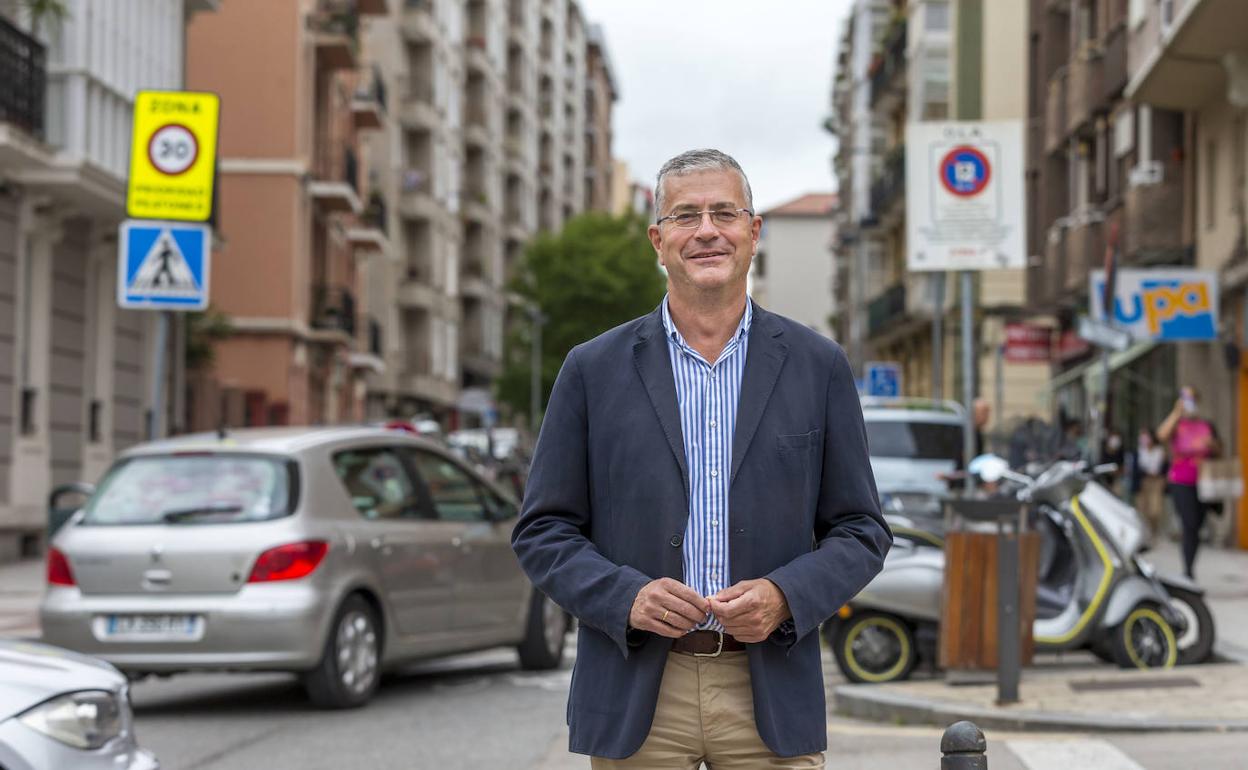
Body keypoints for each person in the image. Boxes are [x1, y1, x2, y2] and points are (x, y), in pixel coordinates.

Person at [510, 149, 890, 768]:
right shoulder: (592, 370)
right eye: (686, 216)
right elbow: (543, 531)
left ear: (753, 232)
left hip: (770, 693)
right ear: (658, 241)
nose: (707, 230)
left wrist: (784, 596)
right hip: (639, 697)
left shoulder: (818, 366)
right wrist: (624, 597)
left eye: (724, 212)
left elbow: (861, 529)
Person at [1158, 385, 1221, 578]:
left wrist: (1213, 445)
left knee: (1197, 525)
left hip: (1204, 482)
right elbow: (1161, 435)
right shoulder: (1178, 424)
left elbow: (1219, 451)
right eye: (1186, 398)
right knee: (1189, 522)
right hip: (1181, 481)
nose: (1189, 402)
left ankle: (1190, 563)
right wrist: (1177, 412)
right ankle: (1188, 570)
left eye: (1192, 398)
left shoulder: (1206, 425)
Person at [1133, 429, 1168, 546]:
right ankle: (1145, 534)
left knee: (1155, 509)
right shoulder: (1139, 452)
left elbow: (1165, 468)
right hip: (1143, 482)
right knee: (1143, 509)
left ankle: (1154, 531)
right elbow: (1135, 470)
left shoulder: (1160, 451)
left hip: (1156, 482)